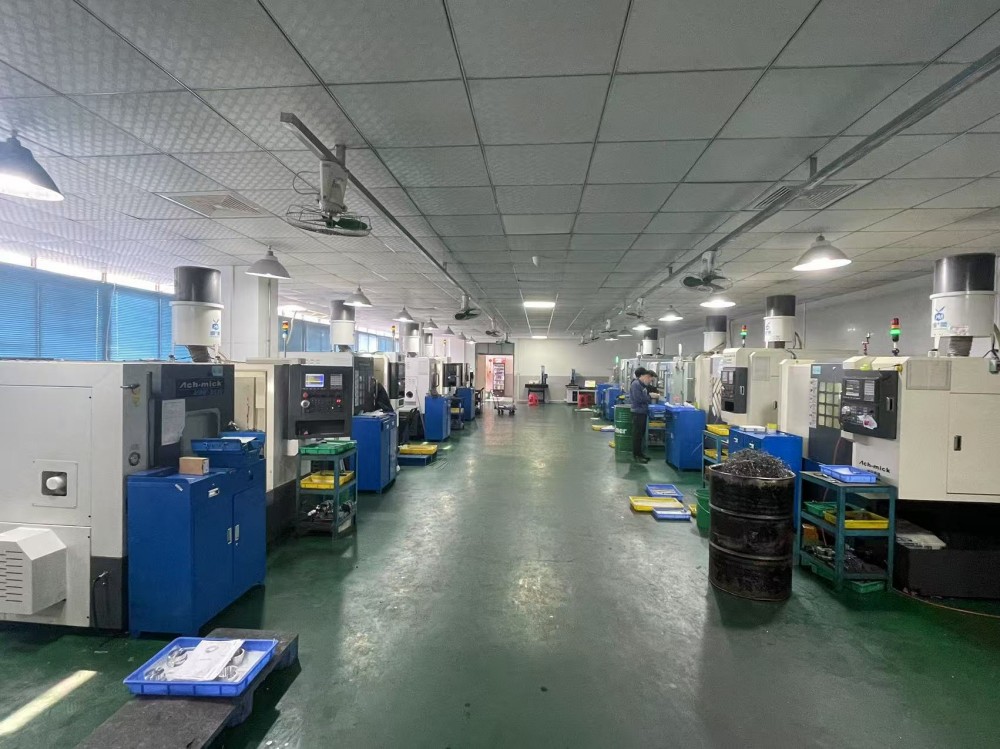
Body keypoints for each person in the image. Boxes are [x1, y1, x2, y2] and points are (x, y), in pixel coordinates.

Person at [629, 367, 660, 463]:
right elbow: (638, 398)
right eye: (650, 379)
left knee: (641, 435)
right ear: (644, 376)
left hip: (642, 412)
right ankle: (636, 456)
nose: (650, 381)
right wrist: (650, 397)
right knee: (637, 435)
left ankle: (640, 454)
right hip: (637, 412)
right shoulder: (636, 384)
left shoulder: (642, 385)